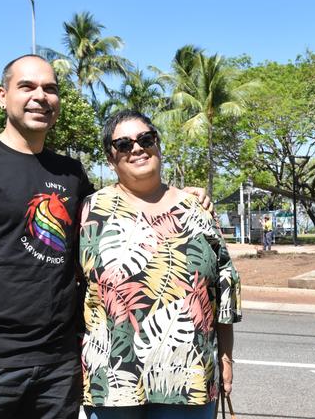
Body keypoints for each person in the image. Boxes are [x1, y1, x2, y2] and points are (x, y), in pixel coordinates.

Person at [0, 55, 212, 419]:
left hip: (61, 367)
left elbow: (123, 210)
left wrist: (180, 196)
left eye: (50, 88)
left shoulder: (71, 174)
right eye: (27, 87)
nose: (40, 97)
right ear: (2, 96)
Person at [79, 110, 241, 419]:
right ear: (111, 159)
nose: (137, 148)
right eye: (124, 144)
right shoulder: (89, 210)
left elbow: (224, 289)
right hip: (113, 383)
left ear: (158, 145)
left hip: (189, 379)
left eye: (145, 139)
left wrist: (227, 358)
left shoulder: (197, 209)